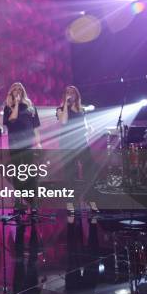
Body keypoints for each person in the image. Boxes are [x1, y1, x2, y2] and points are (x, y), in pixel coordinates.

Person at [56, 86, 98, 215]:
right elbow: (63, 122)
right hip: (67, 143)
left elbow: (83, 124)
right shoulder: (60, 109)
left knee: (90, 169)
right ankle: (70, 202)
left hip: (81, 142)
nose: (70, 94)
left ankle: (90, 199)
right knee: (70, 173)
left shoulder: (81, 110)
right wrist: (65, 105)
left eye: (72, 92)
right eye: (68, 92)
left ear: (77, 95)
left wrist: (89, 128)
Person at [3, 82, 42, 217]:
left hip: (28, 143)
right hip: (14, 144)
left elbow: (36, 127)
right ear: (11, 92)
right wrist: (17, 104)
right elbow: (12, 119)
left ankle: (33, 202)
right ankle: (19, 200)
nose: (18, 91)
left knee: (29, 171)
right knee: (17, 172)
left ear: (23, 91)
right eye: (15, 89)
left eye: (20, 89)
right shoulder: (8, 108)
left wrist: (38, 143)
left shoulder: (31, 108)